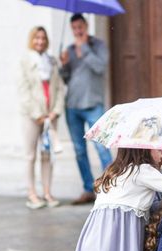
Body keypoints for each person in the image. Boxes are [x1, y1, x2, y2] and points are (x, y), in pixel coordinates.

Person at [60, 14, 112, 205]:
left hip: (93, 104)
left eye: (80, 27)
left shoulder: (98, 45)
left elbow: (100, 68)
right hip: (72, 106)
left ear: (86, 26)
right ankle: (87, 189)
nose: (77, 31)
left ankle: (112, 187)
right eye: (74, 28)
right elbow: (66, 78)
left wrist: (86, 50)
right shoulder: (70, 50)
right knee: (79, 150)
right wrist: (64, 65)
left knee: (101, 146)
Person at [18, 26, 65, 209]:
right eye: (37, 38)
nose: (40, 41)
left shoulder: (52, 62)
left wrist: (54, 111)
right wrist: (38, 114)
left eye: (43, 38)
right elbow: (23, 91)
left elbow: (59, 89)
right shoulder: (25, 61)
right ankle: (32, 194)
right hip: (32, 117)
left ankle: (47, 192)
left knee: (47, 155)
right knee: (30, 156)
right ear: (32, 39)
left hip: (50, 116)